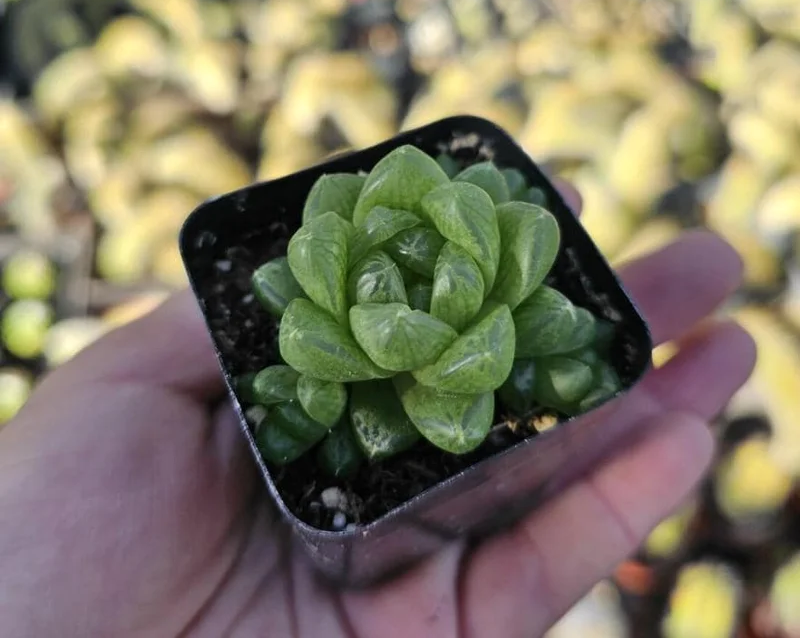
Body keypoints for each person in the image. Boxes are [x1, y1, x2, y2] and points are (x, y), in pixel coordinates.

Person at [0, 187, 755, 638]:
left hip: (477, 371)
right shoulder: (317, 323)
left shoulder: (491, 304)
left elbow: (530, 323)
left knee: (581, 354)